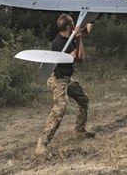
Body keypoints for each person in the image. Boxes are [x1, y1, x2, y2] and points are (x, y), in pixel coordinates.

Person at [35, 13, 95, 156]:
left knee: (83, 99)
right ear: (68, 27)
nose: (75, 26)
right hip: (58, 80)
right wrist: (79, 38)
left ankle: (79, 131)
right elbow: (80, 58)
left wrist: (91, 16)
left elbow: (88, 29)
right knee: (60, 108)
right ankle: (41, 144)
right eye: (73, 24)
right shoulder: (61, 44)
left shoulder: (69, 36)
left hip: (67, 79)